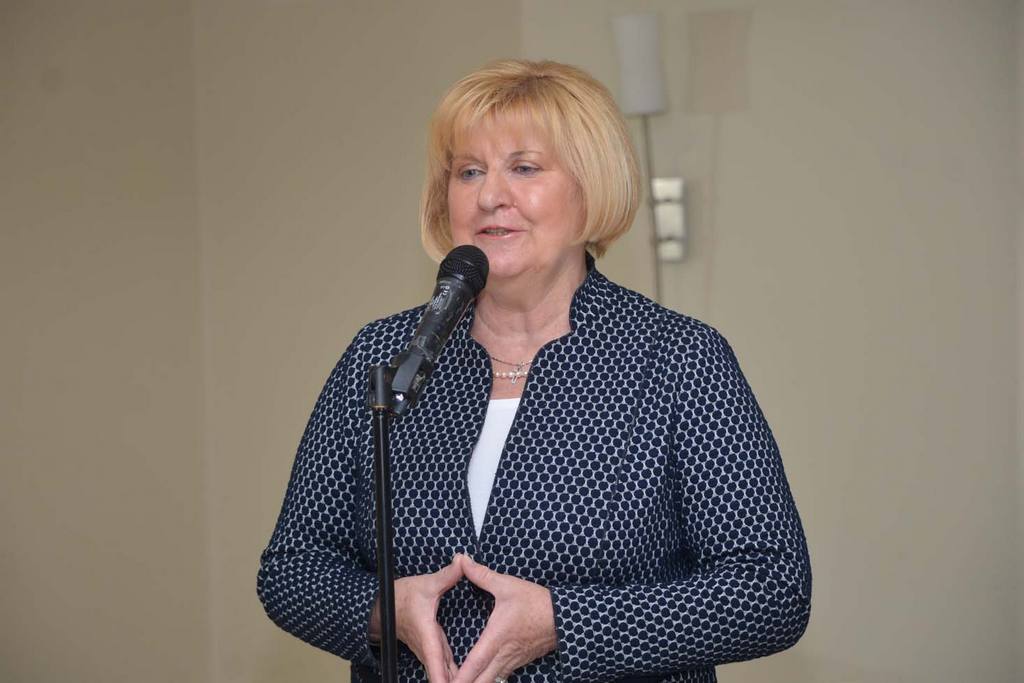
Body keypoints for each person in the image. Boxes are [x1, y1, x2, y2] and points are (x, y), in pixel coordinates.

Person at [257, 59, 811, 683]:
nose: (489, 195)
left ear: (590, 187)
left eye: (524, 168)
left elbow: (772, 589)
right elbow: (292, 568)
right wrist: (384, 610)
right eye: (469, 171)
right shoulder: (385, 355)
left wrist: (566, 623)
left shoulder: (676, 359)